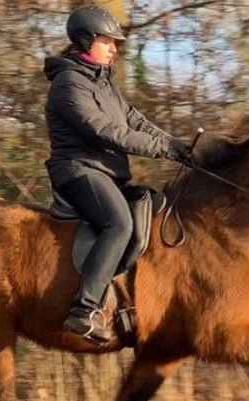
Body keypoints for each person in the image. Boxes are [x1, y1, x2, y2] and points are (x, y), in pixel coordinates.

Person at [43, 4, 192, 343]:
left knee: (155, 206)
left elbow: (135, 121)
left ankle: (130, 301)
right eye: (108, 41)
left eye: (115, 43)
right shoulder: (68, 85)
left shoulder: (105, 83)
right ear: (85, 41)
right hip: (79, 171)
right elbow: (106, 131)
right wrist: (163, 150)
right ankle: (85, 310)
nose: (114, 48)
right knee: (119, 223)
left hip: (106, 173)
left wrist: (177, 145)